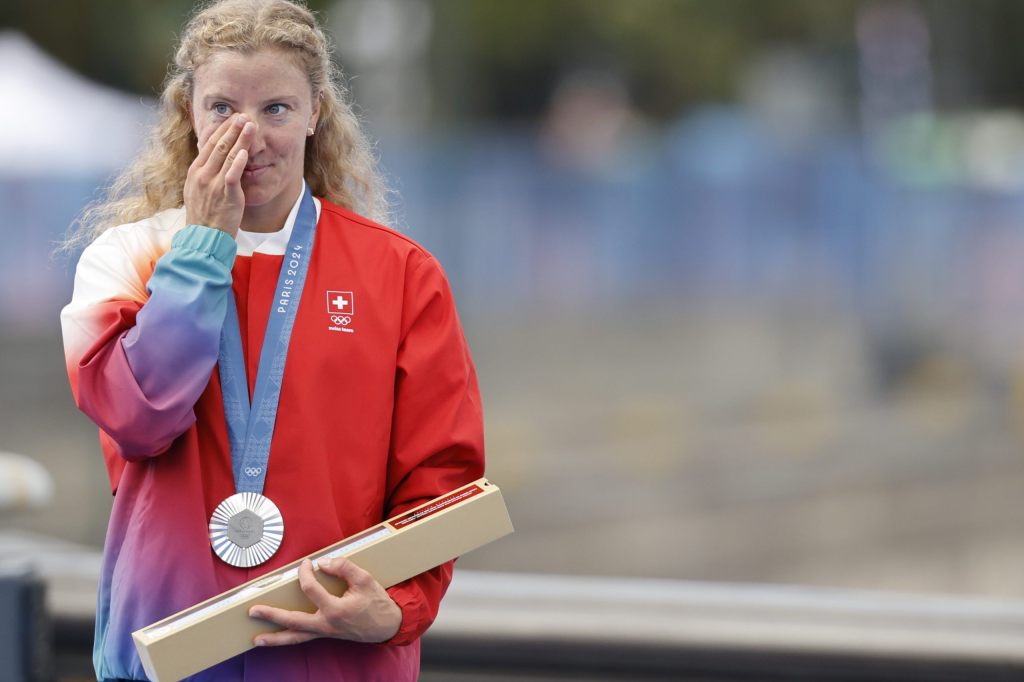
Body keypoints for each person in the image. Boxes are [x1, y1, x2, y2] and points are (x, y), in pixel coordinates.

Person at [59, 0, 485, 680]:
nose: (248, 137)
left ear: (316, 113)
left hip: (336, 656)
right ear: (189, 113)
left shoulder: (400, 274)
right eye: (224, 108)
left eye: (276, 110)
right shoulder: (127, 258)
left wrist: (399, 605)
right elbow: (138, 420)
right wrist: (201, 249)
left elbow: (443, 479)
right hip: (170, 652)